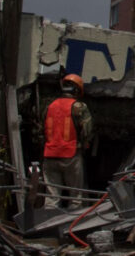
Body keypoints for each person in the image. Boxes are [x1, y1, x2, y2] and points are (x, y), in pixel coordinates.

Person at [42, 73, 93, 210]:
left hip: (50, 155)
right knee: (75, 198)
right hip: (71, 155)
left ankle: (48, 224)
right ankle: (73, 225)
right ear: (77, 91)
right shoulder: (79, 107)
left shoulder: (49, 106)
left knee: (51, 199)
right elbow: (87, 130)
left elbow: (43, 128)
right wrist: (86, 143)